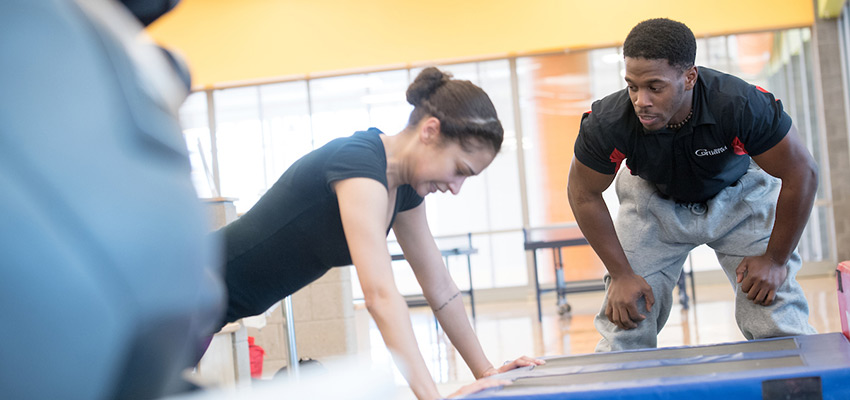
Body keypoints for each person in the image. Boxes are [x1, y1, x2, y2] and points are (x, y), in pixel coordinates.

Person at [218, 67, 542, 399]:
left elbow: (440, 287)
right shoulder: (359, 165)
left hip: (207, 310)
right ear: (430, 131)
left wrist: (485, 372)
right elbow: (380, 296)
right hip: (183, 287)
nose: (456, 188)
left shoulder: (404, 187)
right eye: (459, 170)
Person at [567, 18, 818, 352]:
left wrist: (775, 260)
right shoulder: (608, 122)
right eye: (632, 86)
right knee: (625, 316)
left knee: (775, 311)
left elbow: (803, 172)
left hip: (739, 196)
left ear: (689, 77)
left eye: (655, 87)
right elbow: (583, 192)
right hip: (652, 201)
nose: (641, 100)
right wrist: (621, 274)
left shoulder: (739, 104)